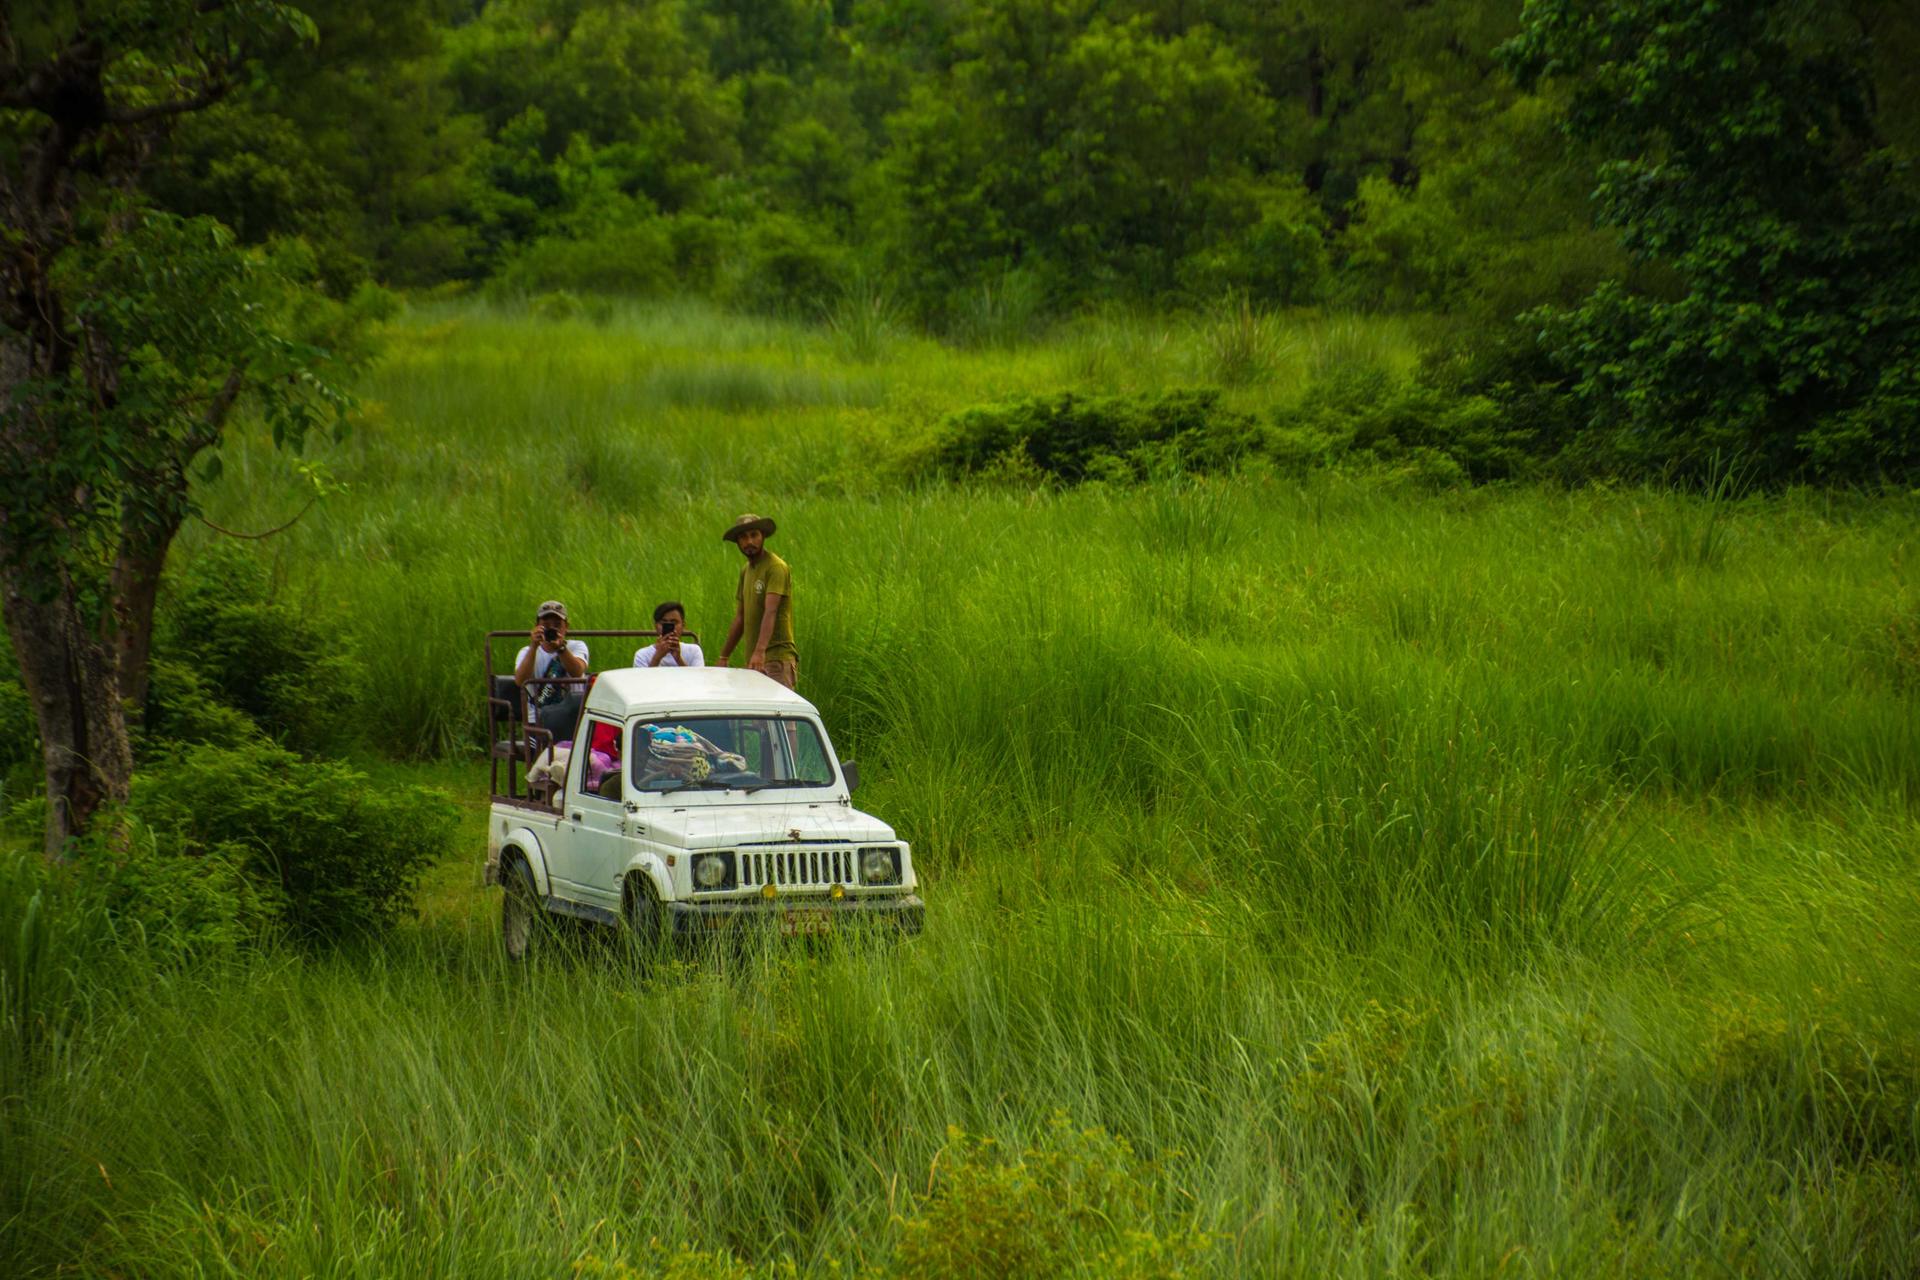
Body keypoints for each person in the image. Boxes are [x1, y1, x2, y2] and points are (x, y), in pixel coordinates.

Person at [717, 512, 798, 689]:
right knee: (758, 717)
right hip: (755, 661)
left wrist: (760, 652)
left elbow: (771, 611)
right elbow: (741, 617)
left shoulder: (775, 567)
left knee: (780, 715)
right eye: (743, 537)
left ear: (762, 536)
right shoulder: (746, 570)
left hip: (776, 658)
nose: (749, 542)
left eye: (754, 535)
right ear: (738, 542)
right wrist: (724, 656)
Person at [513, 600, 588, 746]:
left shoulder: (577, 646)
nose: (552, 630)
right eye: (546, 626)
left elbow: (577, 671)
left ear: (566, 627)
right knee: (540, 750)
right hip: (538, 720)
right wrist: (534, 646)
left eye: (557, 625)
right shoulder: (527, 652)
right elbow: (520, 681)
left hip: (574, 719)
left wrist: (561, 649)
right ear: (537, 627)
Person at [633, 600, 705, 669]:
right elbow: (643, 681)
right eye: (663, 622)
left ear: (683, 625)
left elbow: (697, 680)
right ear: (656, 626)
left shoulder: (694, 651)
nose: (670, 627)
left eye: (674, 623)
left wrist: (678, 659)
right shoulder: (642, 655)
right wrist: (657, 657)